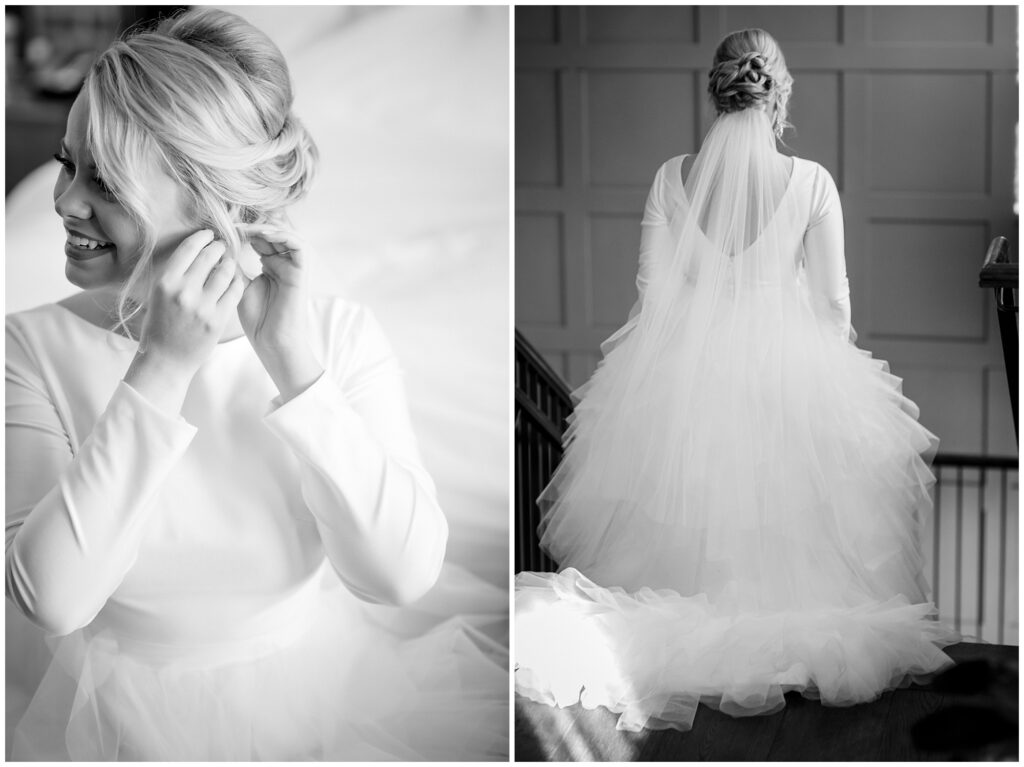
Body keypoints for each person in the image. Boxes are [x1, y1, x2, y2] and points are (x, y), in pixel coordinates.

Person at [6, 8, 505, 760]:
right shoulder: (29, 345)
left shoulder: (339, 337)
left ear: (210, 202)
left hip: (322, 703)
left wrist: (295, 366)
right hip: (104, 717)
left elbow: (399, 575)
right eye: (66, 161)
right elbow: (54, 599)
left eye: (103, 179)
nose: (63, 200)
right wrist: (163, 365)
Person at [515, 29, 960, 734]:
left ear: (715, 89)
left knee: (682, 532)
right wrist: (825, 389)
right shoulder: (810, 182)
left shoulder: (671, 177)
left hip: (683, 383)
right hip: (786, 379)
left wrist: (677, 369)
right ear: (779, 91)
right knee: (796, 539)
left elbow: (652, 298)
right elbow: (832, 307)